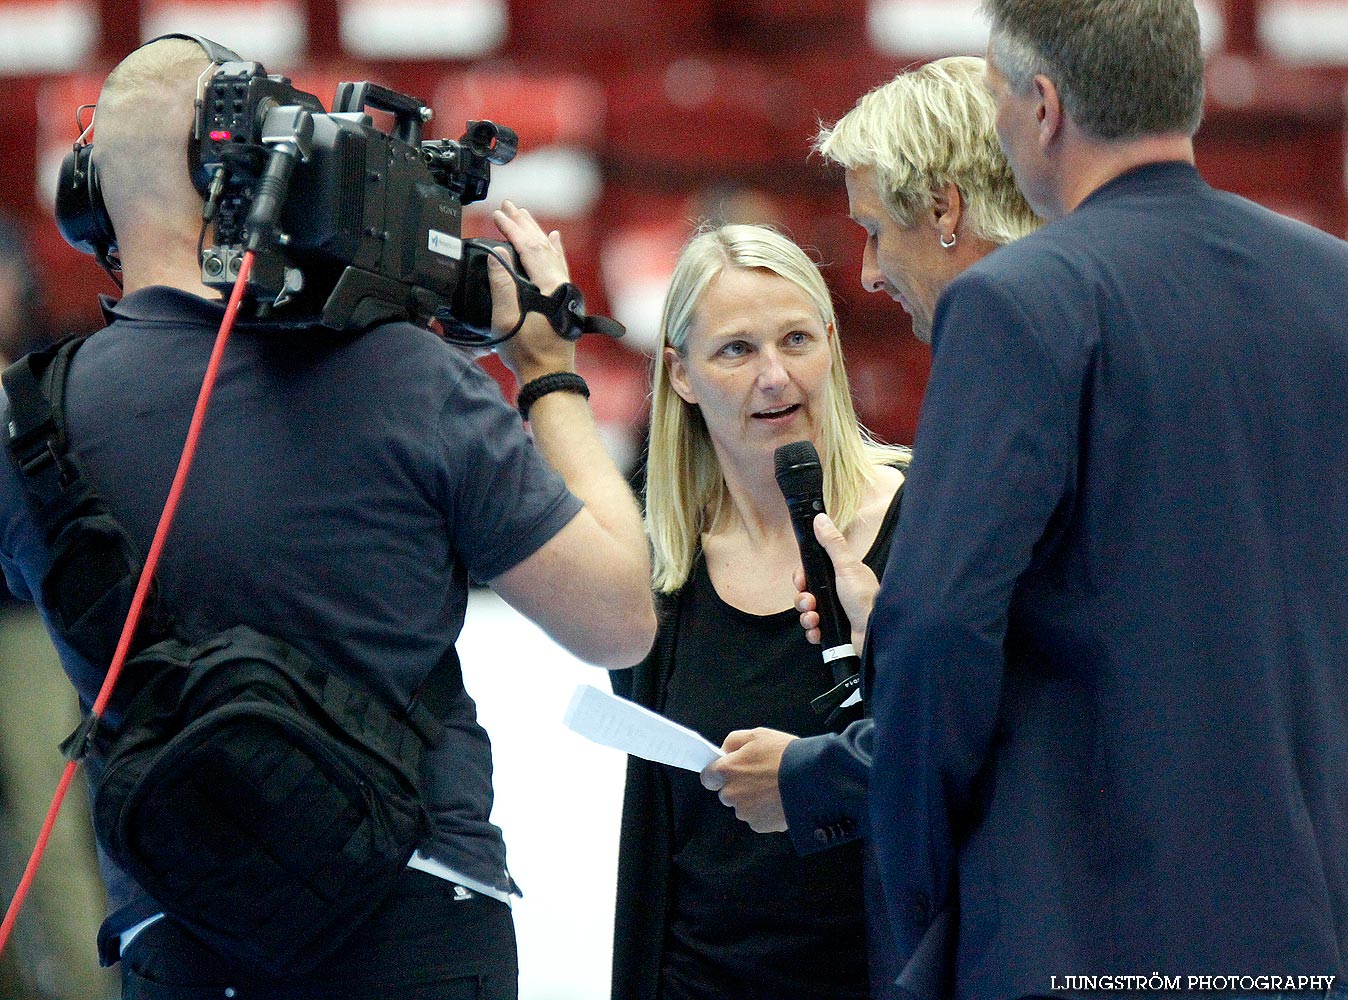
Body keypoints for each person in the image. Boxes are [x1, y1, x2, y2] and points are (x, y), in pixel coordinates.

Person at [0, 36, 655, 1000]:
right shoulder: (408, 376)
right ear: (248, 163)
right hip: (417, 925)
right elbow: (619, 619)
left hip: (175, 941)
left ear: (93, 197)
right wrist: (549, 372)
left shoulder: (28, 430)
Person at [855, 1, 1348, 996]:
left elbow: (936, 626)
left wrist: (913, 894)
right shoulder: (1330, 284)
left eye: (995, 96)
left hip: (1085, 936)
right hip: (1308, 925)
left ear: (1041, 107)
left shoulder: (1018, 300)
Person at [693, 57, 1038, 998]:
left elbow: (1004, 710)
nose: (873, 272)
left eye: (878, 232)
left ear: (948, 210)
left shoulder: (1020, 350)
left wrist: (813, 778)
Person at [608, 221, 909, 1000]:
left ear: (834, 347)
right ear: (680, 375)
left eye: (798, 339)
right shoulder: (661, 569)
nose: (775, 376)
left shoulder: (927, 520)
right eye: (737, 350)